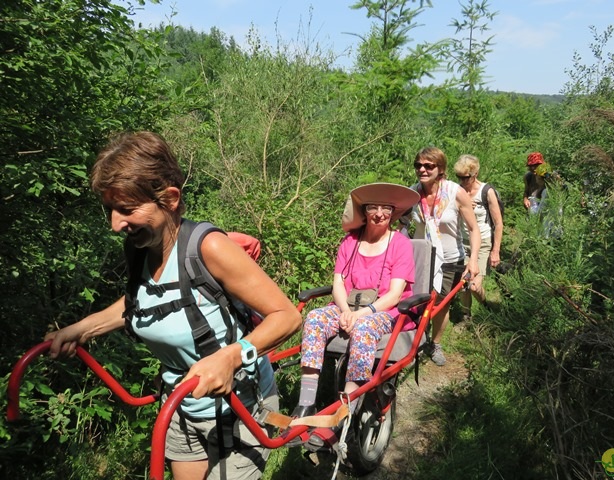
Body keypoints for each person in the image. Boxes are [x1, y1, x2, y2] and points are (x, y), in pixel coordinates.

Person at [44, 131, 302, 480]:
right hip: (181, 405)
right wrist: (83, 328)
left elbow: (287, 316)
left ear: (170, 199)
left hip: (240, 407)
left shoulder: (208, 248)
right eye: (109, 210)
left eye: (126, 209)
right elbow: (140, 301)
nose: (115, 224)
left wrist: (229, 357)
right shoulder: (139, 249)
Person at [292, 183, 419, 433]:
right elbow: (338, 282)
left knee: (363, 326)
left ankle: (347, 407)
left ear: (394, 212)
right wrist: (345, 310)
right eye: (374, 207)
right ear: (365, 210)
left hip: (384, 311)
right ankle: (305, 403)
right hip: (347, 306)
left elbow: (394, 295)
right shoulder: (350, 242)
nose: (380, 213)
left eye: (387, 208)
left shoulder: (400, 244)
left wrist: (359, 314)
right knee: (315, 318)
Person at [403, 147, 480, 366]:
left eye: (429, 165)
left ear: (441, 169)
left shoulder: (455, 192)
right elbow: (401, 222)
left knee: (440, 305)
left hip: (450, 258)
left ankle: (434, 343)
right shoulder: (411, 194)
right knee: (416, 302)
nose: (422, 169)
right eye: (418, 165)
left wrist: (473, 260)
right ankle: (413, 342)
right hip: (420, 257)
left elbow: (474, 229)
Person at [454, 154, 503, 320]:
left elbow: (498, 223)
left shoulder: (487, 192)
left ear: (474, 175)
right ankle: (465, 316)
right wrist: (461, 203)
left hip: (482, 243)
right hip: (461, 243)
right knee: (463, 285)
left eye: (465, 177)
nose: (462, 181)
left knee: (474, 286)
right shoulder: (457, 191)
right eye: (458, 177)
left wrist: (495, 251)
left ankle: (486, 306)